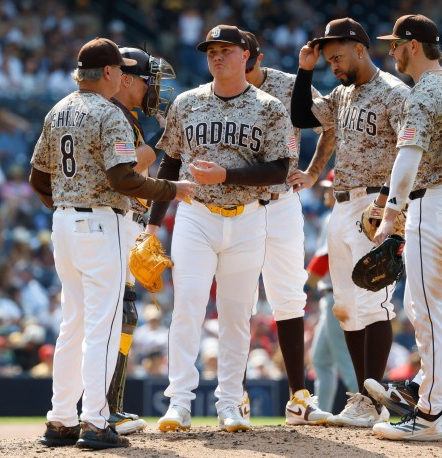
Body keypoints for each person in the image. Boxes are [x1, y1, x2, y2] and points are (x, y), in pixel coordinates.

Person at [30, 37, 195, 450]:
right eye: (119, 70)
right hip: (102, 225)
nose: (122, 77)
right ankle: (95, 422)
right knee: (101, 328)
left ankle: (61, 419)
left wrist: (68, 204)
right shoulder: (109, 114)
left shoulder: (58, 110)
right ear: (108, 73)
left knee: (73, 326)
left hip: (64, 227)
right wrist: (173, 189)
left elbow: (37, 178)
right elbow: (124, 178)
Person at [145, 25, 296, 433]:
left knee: (235, 316)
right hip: (196, 215)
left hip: (248, 217)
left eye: (225, 49)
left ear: (246, 54)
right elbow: (169, 165)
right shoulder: (187, 102)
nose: (216, 56)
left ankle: (230, 403)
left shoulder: (268, 106)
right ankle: (178, 403)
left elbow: (279, 169)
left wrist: (226, 176)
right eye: (211, 50)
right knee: (187, 309)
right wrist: (152, 225)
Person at [369, 15, 442, 441]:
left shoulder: (423, 94)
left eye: (395, 44)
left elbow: (408, 157)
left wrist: (390, 212)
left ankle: (428, 414)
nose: (391, 52)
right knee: (427, 310)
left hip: (433, 206)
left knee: (429, 315)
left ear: (413, 45)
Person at [288, 17, 410, 427]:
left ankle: (374, 399)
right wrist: (306, 70)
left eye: (337, 57)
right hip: (341, 206)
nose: (333, 66)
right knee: (346, 308)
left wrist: (388, 204)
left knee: (373, 303)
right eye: (328, 60)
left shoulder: (395, 93)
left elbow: (411, 152)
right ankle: (364, 399)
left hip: (376, 205)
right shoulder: (342, 95)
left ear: (361, 48)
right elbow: (307, 118)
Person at [240, 30, 331, 425]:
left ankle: (298, 395)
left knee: (289, 297)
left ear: (256, 58)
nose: (230, 63)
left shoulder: (287, 84)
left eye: (240, 57)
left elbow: (331, 122)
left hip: (281, 201)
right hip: (237, 204)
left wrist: (313, 172)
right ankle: (233, 395)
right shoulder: (214, 92)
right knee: (236, 299)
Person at [104, 45, 176, 436]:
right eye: (149, 80)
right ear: (125, 79)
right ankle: (104, 410)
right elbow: (130, 166)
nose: (154, 88)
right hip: (109, 223)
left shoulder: (123, 115)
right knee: (117, 314)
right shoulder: (113, 113)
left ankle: (105, 407)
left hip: (119, 221)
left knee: (121, 313)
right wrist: (165, 139)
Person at [306, 170, 358, 412]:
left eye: (329, 187)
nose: (325, 191)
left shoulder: (334, 216)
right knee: (321, 359)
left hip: (336, 296)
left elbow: (320, 264)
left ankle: (364, 407)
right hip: (339, 294)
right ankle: (322, 411)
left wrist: (301, 287)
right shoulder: (348, 214)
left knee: (345, 361)